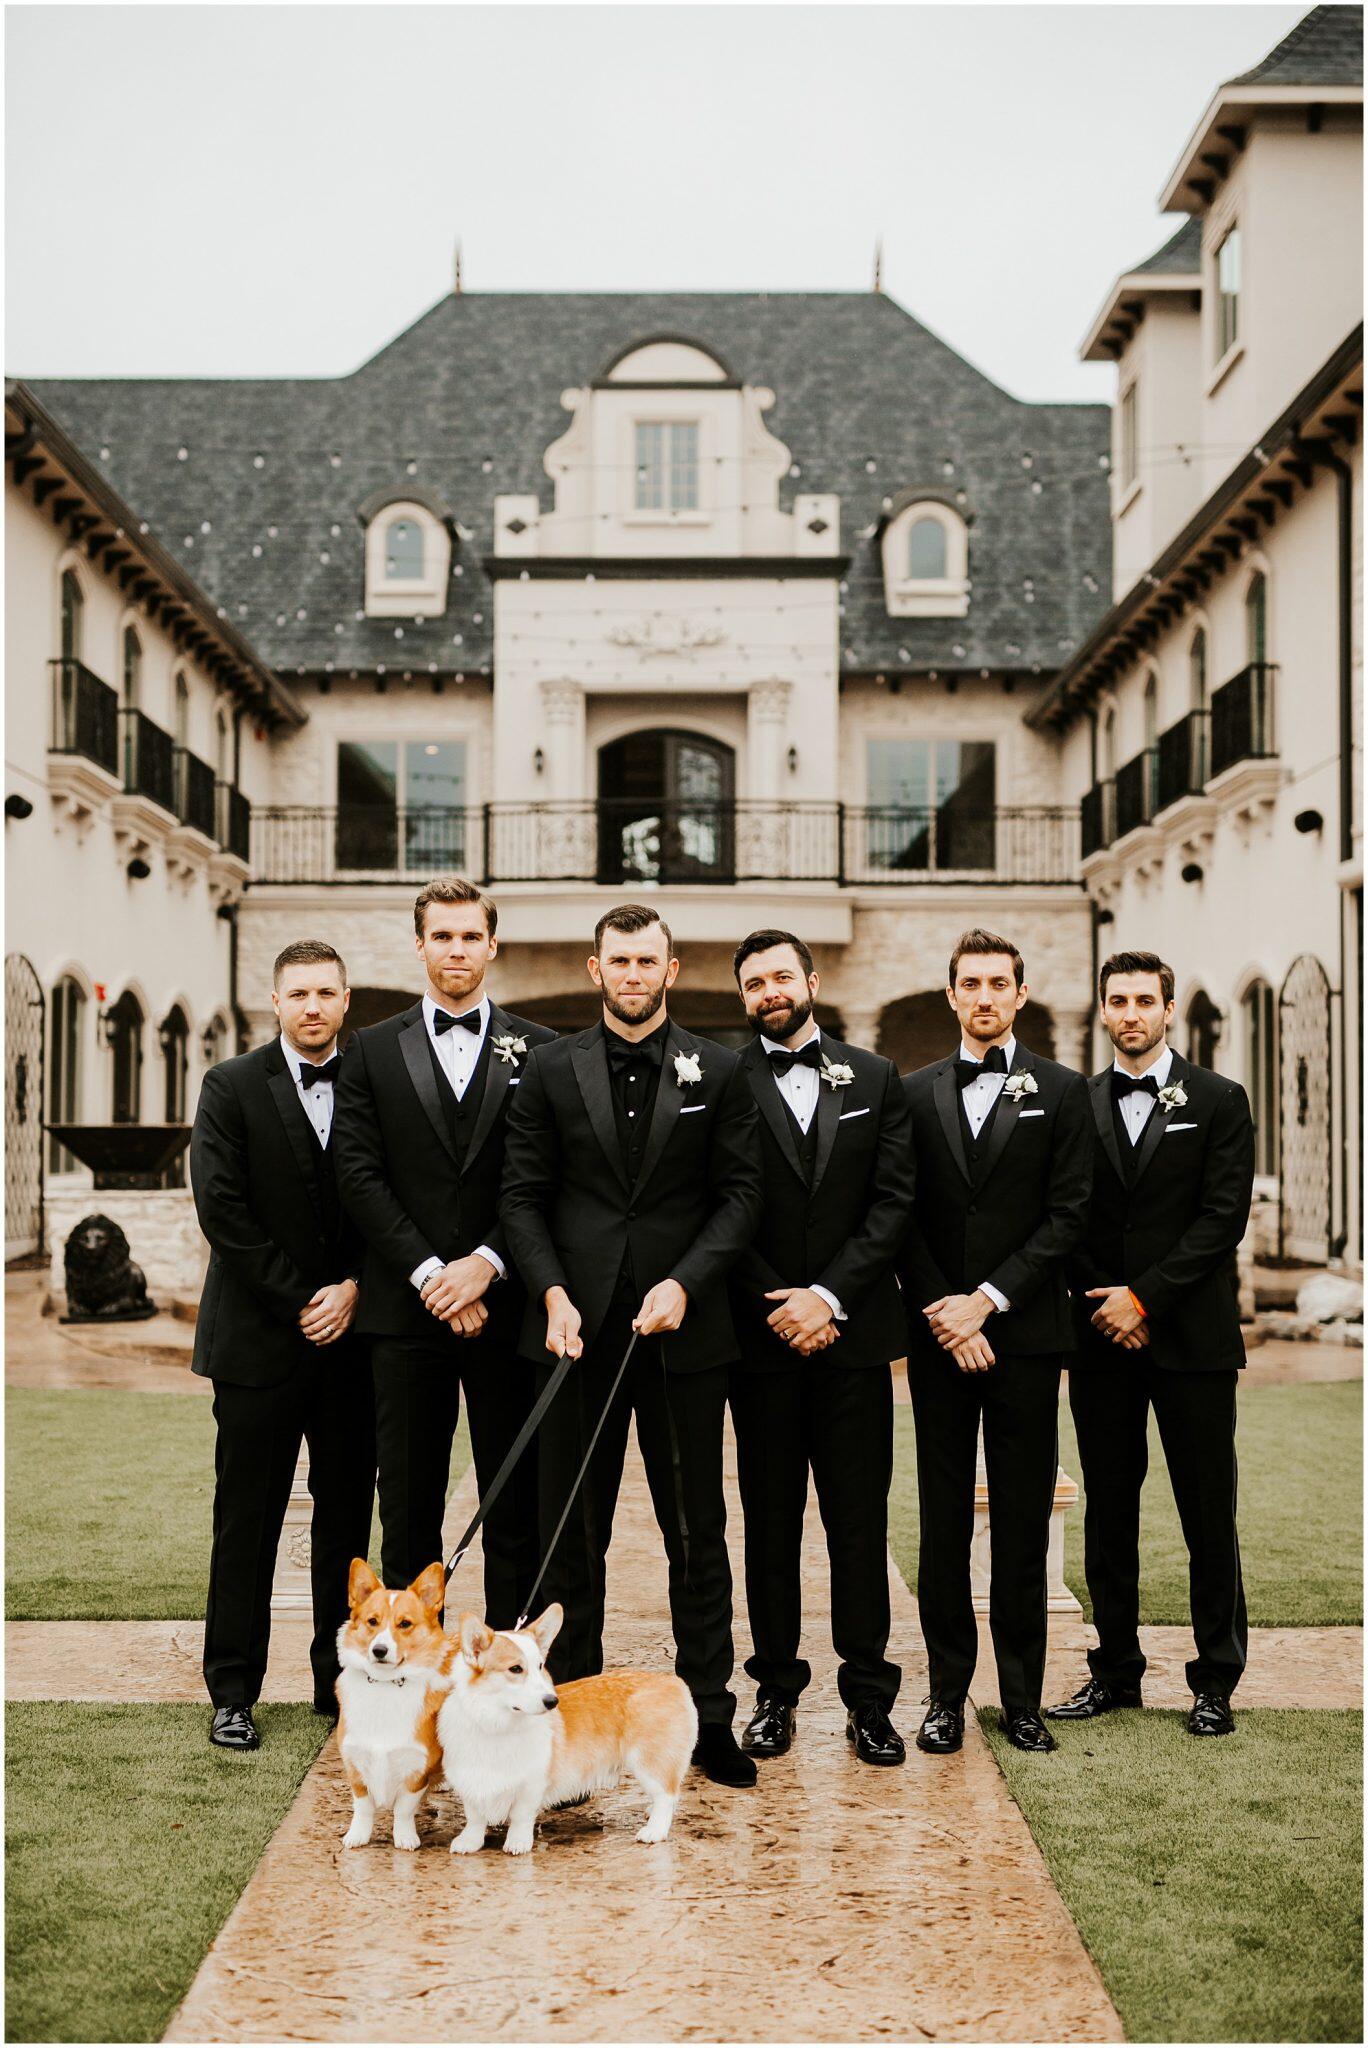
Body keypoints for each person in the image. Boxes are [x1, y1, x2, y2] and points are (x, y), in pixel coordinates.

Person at [500, 903, 764, 1788]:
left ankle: (711, 1717)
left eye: (648, 960)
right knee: (572, 1536)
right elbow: (522, 1196)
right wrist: (551, 1293)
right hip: (576, 1338)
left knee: (698, 1532)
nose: (633, 973)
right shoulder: (545, 1069)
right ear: (595, 967)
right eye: (619, 960)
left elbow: (739, 1195)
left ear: (672, 969)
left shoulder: (720, 1070)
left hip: (683, 1336)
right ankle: (567, 1716)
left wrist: (687, 1280)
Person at [332, 878, 555, 1625]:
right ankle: (409, 1674)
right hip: (405, 1313)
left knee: (515, 1499)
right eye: (442, 936)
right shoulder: (367, 1048)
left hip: (507, 1308)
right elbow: (357, 1174)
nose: (456, 950)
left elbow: (546, 1177)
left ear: (492, 945)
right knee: (407, 1504)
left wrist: (486, 1264)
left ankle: (511, 1663)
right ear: (419, 944)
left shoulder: (543, 1052)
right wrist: (432, 1275)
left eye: (470, 936)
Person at [1047, 950, 1255, 1738]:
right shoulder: (1075, 1102)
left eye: (1145, 1000)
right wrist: (1105, 1299)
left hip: (1194, 1341)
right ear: (1102, 1011)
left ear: (1169, 1010)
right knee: (1110, 1513)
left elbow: (1221, 1218)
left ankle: (1215, 1680)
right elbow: (1066, 1214)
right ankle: (1115, 1672)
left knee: (1208, 1510)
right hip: (1102, 1339)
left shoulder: (1219, 1099)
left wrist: (1147, 1297)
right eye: (1118, 1001)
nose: (1131, 1013)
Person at [897, 928, 1092, 1756]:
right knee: (942, 1520)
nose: (984, 996)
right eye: (969, 983)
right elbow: (896, 1212)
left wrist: (987, 1301)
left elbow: (1069, 1213)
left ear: (1020, 996)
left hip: (1025, 1337)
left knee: (1020, 1521)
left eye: (998, 984)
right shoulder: (909, 1095)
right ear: (950, 995)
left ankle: (1021, 1701)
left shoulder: (1065, 1090)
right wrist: (947, 1310)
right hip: (939, 1340)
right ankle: (945, 1697)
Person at [726, 928, 915, 1766]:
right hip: (761, 1340)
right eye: (753, 983)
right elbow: (718, 1206)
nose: (769, 991)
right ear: (743, 998)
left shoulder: (875, 1077)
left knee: (856, 1522)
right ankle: (773, 1692)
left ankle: (869, 1697)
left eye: (780, 976)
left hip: (852, 1338)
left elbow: (893, 1203)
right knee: (769, 1525)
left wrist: (829, 1297)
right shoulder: (723, 1081)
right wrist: (782, 1301)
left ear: (810, 979)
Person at [190, 940, 375, 1751]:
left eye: (325, 993)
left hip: (357, 1343)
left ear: (345, 1001)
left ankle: (337, 1686)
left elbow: (400, 1197)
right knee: (247, 1522)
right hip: (259, 1345)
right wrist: (304, 1297)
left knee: (345, 1526)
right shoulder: (229, 1086)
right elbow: (222, 1208)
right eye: (297, 993)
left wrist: (357, 1287)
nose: (311, 1006)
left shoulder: (373, 1080)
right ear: (274, 1001)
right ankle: (232, 1690)